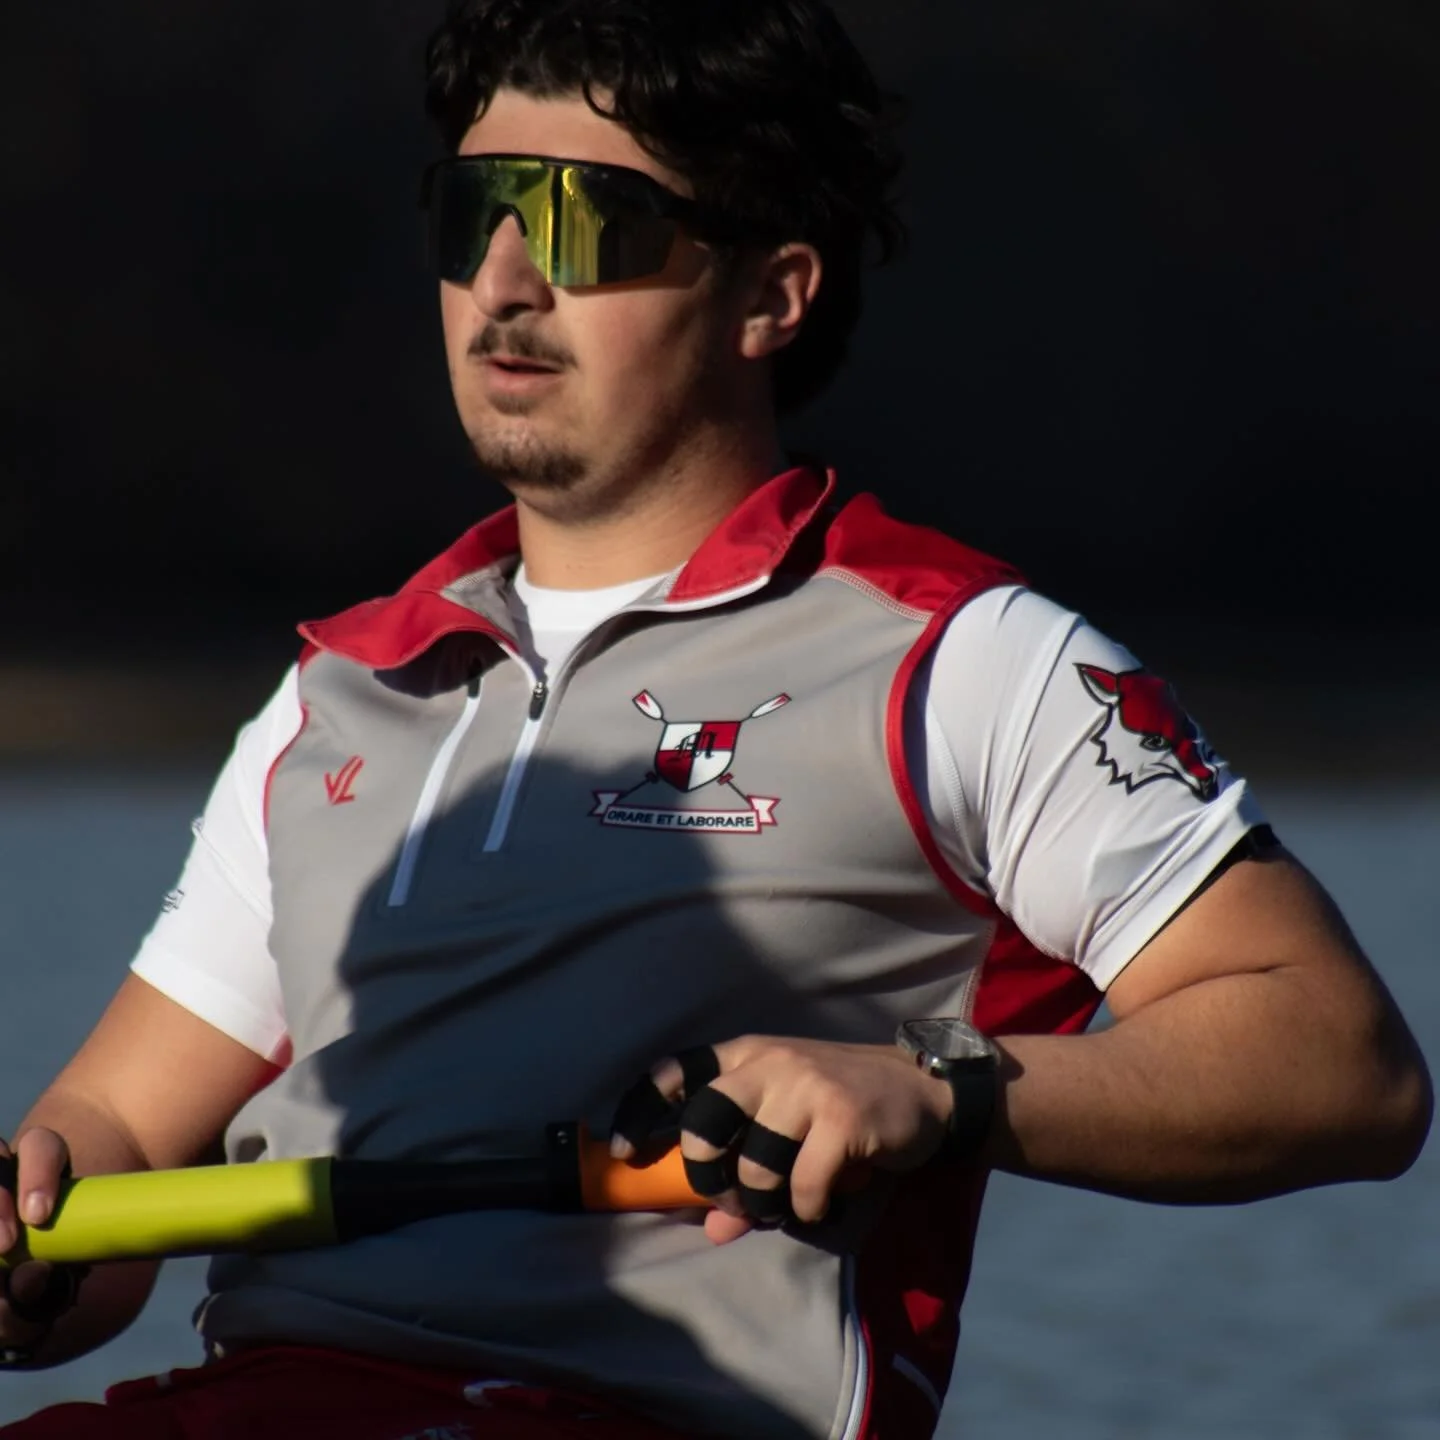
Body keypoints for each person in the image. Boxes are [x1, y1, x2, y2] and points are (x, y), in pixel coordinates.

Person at [2, 1, 1430, 1436]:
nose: (504, 280)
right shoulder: (338, 693)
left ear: (772, 295)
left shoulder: (964, 661)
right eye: (476, 212)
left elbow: (1342, 1065)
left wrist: (936, 1089)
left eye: (588, 222)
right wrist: (30, 1239)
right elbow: (111, 1150)